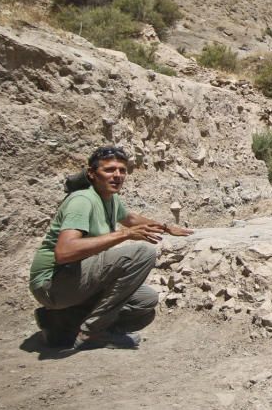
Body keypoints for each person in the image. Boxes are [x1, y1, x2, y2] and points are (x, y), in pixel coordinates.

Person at [29, 145, 193, 350]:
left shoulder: (110, 198)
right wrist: (124, 235)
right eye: (109, 170)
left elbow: (130, 218)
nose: (117, 175)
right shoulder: (82, 201)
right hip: (52, 284)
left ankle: (63, 322)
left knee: (145, 301)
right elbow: (64, 252)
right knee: (143, 253)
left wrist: (166, 227)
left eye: (122, 170)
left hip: (76, 281)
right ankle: (92, 332)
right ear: (91, 173)